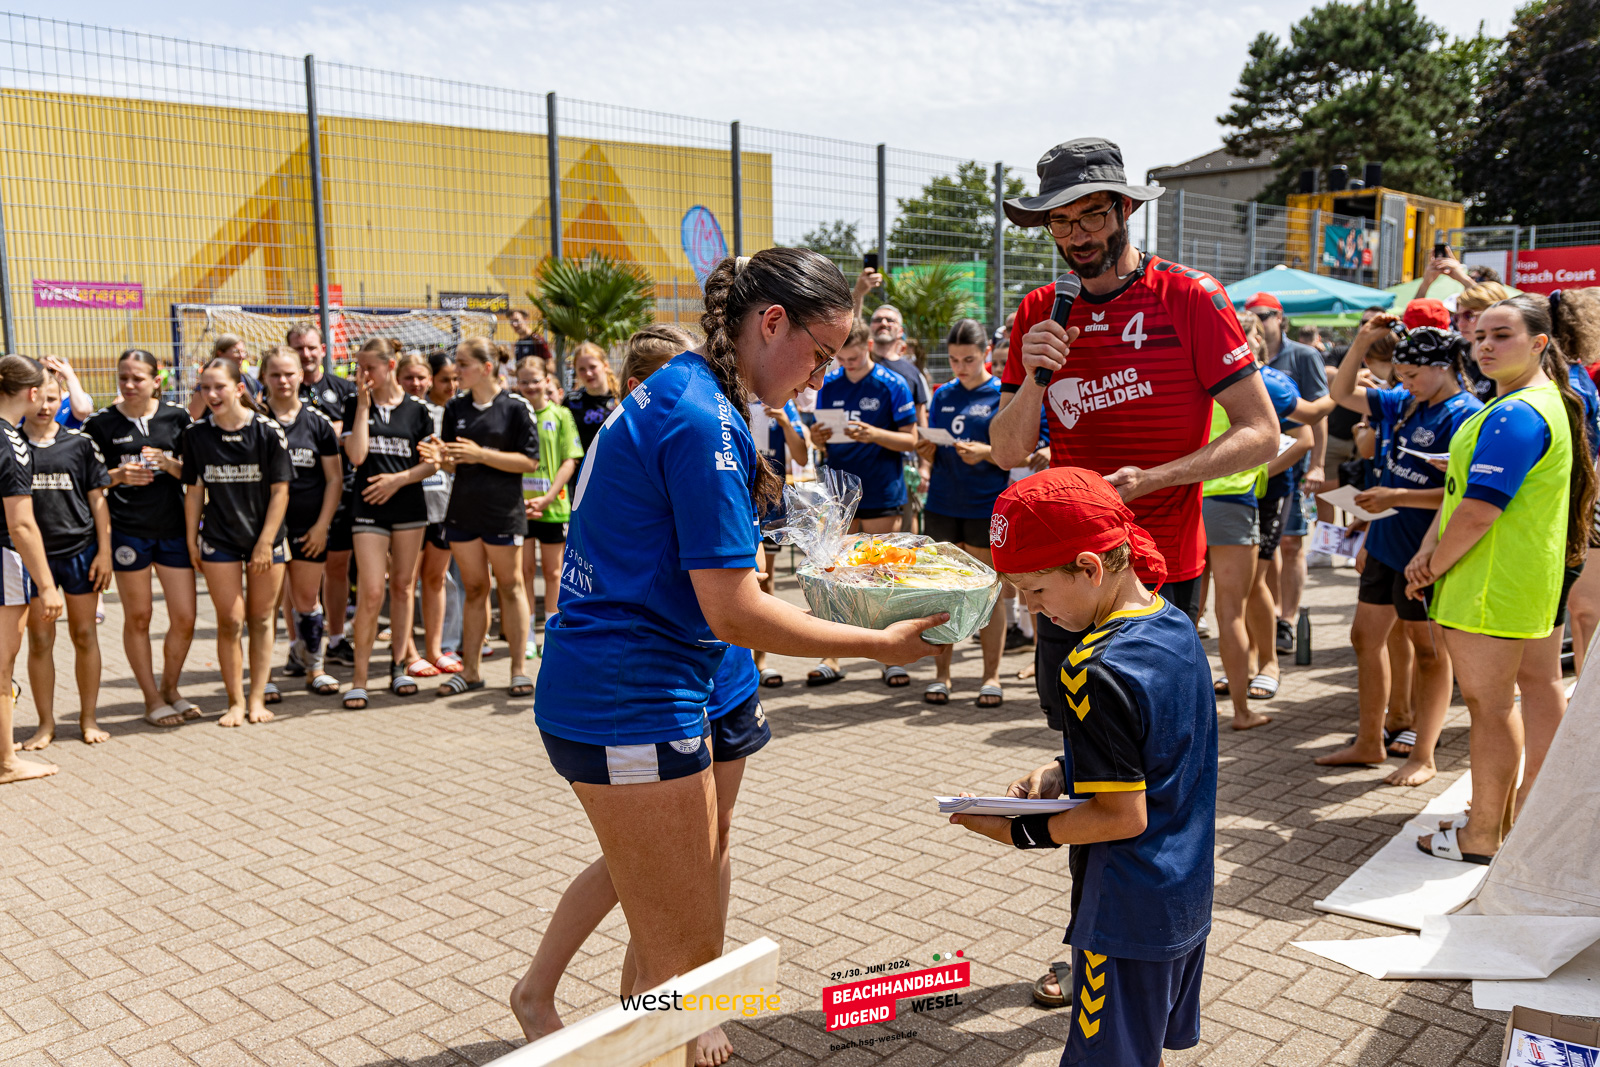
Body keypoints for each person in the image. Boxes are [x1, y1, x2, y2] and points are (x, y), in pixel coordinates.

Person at [520, 248, 946, 1044]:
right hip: (629, 693)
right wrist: (876, 643)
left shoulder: (699, 392)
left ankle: (620, 1032)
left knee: (679, 965)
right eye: (817, 355)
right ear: (770, 321)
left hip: (651, 681)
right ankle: (615, 1037)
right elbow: (735, 611)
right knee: (685, 973)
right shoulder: (701, 416)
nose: (819, 379)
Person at [986, 138, 1273, 1010]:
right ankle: (1092, 941)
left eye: (1091, 214)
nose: (1075, 234)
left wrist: (1153, 480)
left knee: (1151, 780)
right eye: (1059, 220)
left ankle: (1158, 941)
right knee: (1087, 767)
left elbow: (1259, 431)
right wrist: (1035, 376)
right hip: (1063, 584)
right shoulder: (1039, 310)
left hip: (1157, 583)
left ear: (1126, 211)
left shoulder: (1191, 298)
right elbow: (1005, 449)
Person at [511, 329, 769, 1066]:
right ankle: (644, 1013)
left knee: (707, 846)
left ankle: (677, 1005)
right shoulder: (650, 436)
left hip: (723, 672)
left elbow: (734, 564)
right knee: (650, 869)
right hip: (655, 680)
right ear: (637, 395)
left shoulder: (721, 428)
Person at [950, 468, 1215, 1067]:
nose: (1030, 608)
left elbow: (1121, 816)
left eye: (1036, 591)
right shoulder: (1172, 622)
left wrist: (1018, 828)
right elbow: (1156, 745)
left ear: (1091, 567)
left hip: (1124, 908)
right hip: (1185, 890)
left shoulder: (1092, 667)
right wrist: (1063, 765)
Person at [1409, 295, 1595, 864]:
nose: (1485, 345)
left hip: (1491, 585)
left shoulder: (1517, 413)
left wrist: (1430, 565)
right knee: (1531, 691)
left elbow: (1480, 511)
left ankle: (1484, 832)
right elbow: (1469, 497)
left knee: (1491, 709)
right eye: (1480, 335)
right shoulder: (1539, 402)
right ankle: (1514, 813)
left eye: (1502, 335)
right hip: (1525, 580)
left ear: (1540, 343)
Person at [1324, 318, 1481, 787]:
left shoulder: (1466, 414)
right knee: (1363, 638)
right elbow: (1340, 392)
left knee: (1429, 654)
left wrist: (1394, 498)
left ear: (1444, 368)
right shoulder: (1403, 403)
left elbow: (1463, 494)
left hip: (1426, 553)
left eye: (1413, 375)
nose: (1404, 383)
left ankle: (1425, 755)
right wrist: (1361, 341)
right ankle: (1370, 740)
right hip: (1386, 542)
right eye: (1401, 375)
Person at [1204, 315, 1311, 728]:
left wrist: (1263, 468)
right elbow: (1319, 411)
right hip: (1219, 499)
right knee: (1224, 608)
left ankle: (1266, 666)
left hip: (1245, 498)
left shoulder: (1268, 381)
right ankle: (1240, 702)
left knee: (1248, 593)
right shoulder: (1210, 373)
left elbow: (1306, 434)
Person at [83, 349, 199, 728]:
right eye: (123, 378)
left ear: (157, 379)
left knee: (184, 617)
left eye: (137, 378)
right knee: (139, 616)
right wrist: (118, 475)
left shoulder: (177, 418)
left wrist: (168, 464)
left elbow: (195, 477)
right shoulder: (101, 424)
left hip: (173, 530)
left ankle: (171, 689)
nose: (129, 385)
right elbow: (89, 483)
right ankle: (151, 698)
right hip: (129, 532)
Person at [423, 337, 540, 699]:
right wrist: (440, 457)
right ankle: (470, 671)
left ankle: (518, 670)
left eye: (463, 364)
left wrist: (481, 454)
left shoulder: (516, 407)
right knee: (474, 589)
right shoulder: (456, 407)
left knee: (510, 587)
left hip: (503, 513)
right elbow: (452, 462)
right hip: (463, 511)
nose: (456, 371)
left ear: (486, 368)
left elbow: (529, 462)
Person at [806, 317, 917, 687]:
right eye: (842, 360)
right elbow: (819, 439)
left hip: (883, 492)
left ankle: (890, 657)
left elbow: (911, 440)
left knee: (883, 576)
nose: (846, 365)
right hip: (840, 495)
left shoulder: (892, 384)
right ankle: (832, 655)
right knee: (836, 576)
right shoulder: (830, 383)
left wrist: (874, 434)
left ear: (868, 348)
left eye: (853, 358)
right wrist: (817, 436)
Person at [183, 357, 291, 728]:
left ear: (239, 389)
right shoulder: (196, 435)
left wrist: (265, 544)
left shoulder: (267, 431)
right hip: (219, 539)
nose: (211, 394)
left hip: (266, 540)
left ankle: (258, 697)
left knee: (262, 619)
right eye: (204, 387)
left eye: (219, 386)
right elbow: (194, 492)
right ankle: (235, 701)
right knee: (230, 621)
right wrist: (191, 539)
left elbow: (280, 492)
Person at [915, 318, 1011, 707]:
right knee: (942, 591)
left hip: (984, 504)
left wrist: (987, 452)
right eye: (954, 360)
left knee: (990, 593)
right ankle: (943, 676)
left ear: (986, 353)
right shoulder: (942, 394)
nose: (960, 367)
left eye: (968, 359)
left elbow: (1016, 450)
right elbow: (933, 442)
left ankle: (991, 676)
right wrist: (926, 450)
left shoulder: (1002, 394)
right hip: (942, 501)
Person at [340, 338, 437, 709]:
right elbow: (357, 455)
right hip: (367, 508)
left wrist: (398, 480)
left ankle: (399, 667)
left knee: (402, 586)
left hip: (409, 507)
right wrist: (363, 407)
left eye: (370, 368)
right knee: (371, 592)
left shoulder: (417, 410)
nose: (362, 375)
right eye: (358, 368)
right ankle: (360, 678)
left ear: (390, 365)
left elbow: (432, 463)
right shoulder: (355, 404)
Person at [19, 373, 111, 749]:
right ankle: (45, 724)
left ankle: (88, 718)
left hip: (81, 552)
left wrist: (105, 552)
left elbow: (98, 501)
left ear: (62, 401)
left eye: (54, 399)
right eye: (38, 398)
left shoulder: (80, 444)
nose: (45, 406)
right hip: (32, 558)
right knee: (40, 641)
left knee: (85, 634)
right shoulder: (11, 444)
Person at [1242, 292, 1332, 635]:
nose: (1257, 321)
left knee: (1292, 542)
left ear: (1280, 317)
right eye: (1250, 316)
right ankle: (1273, 618)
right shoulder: (1242, 358)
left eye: (1263, 315)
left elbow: (1317, 414)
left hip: (1289, 469)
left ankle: (1287, 619)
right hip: (1252, 475)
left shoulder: (1303, 355)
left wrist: (1317, 464)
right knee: (1266, 551)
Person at [262, 346, 342, 698]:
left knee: (307, 601)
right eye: (275, 374)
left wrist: (322, 525)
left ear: (300, 375)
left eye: (289, 373)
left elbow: (334, 479)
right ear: (263, 377)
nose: (283, 380)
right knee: (264, 606)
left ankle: (315, 668)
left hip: (309, 528)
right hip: (267, 533)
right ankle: (263, 677)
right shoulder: (254, 420)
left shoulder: (318, 422)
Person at [0, 356, 65, 785]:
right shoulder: (12, 441)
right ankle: (7, 762)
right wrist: (47, 585)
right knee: (2, 666)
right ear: (31, 393)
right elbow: (21, 524)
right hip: (2, 560)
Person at [288, 322, 359, 668]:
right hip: (298, 496)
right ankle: (298, 644)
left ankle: (335, 638)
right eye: (299, 348)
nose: (306, 354)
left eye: (311, 347)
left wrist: (339, 432)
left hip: (340, 489)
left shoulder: (343, 389)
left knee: (337, 567)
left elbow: (358, 431)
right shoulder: (283, 389)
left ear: (323, 349)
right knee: (297, 573)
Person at [514, 356, 584, 657]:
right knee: (524, 571)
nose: (530, 386)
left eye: (535, 380)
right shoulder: (514, 415)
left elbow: (570, 459)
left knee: (554, 573)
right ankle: (526, 633)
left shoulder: (561, 415)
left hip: (553, 507)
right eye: (524, 381)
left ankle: (551, 632)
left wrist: (549, 496)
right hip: (521, 507)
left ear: (547, 380)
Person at [1549, 290, 1600, 678]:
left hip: (1581, 506)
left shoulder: (1574, 383)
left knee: (1585, 612)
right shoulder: (1571, 377)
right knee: (1583, 612)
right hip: (1577, 505)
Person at [416, 351, 464, 674]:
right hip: (419, 506)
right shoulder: (420, 411)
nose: (451, 386)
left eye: (455, 379)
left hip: (450, 505)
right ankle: (411, 649)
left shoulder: (461, 411)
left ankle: (444, 645)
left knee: (446, 579)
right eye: (444, 379)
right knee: (412, 583)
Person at [563, 341, 619, 477]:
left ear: (605, 366)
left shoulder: (623, 398)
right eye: (581, 369)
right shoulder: (571, 402)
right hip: (581, 476)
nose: (588, 373)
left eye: (593, 367)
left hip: (615, 472)